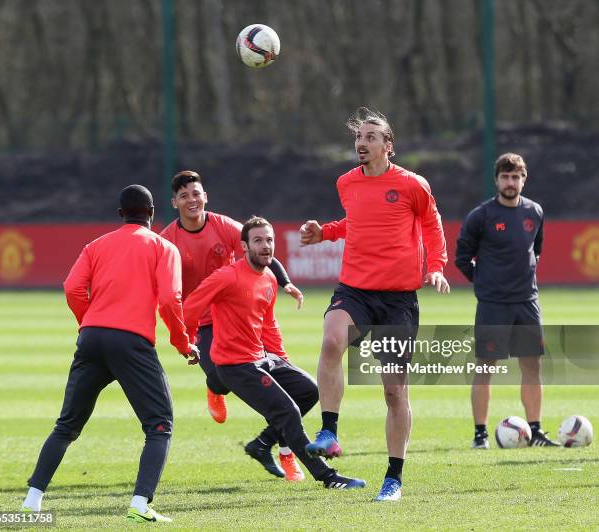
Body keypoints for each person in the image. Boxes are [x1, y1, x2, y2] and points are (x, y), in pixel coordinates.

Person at [21, 185, 199, 523]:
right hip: (131, 343)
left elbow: (72, 287)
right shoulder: (165, 248)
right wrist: (183, 343)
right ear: (152, 212)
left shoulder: (96, 246)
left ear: (120, 215)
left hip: (91, 339)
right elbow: (169, 301)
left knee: (67, 425)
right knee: (159, 426)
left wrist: (89, 321)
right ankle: (140, 503)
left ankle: (32, 501)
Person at [299, 108, 449, 502]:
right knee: (332, 341)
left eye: (370, 137)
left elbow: (432, 225)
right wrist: (325, 232)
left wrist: (435, 267)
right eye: (358, 137)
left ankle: (393, 478)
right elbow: (357, 221)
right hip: (355, 289)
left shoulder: (413, 185)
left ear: (388, 146)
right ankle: (328, 430)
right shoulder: (346, 182)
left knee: (394, 393)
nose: (361, 143)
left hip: (398, 300)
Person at [183, 216, 366, 490]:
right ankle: (328, 477)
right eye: (258, 241)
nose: (266, 246)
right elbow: (189, 308)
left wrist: (282, 363)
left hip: (262, 358)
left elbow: (268, 325)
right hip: (236, 366)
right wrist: (186, 342)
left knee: (309, 390)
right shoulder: (227, 276)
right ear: (244, 246)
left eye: (269, 240)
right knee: (287, 411)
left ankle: (262, 443)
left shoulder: (269, 277)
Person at [160, 170, 306, 481]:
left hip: (236, 312)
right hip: (200, 319)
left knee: (282, 394)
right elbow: (154, 279)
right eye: (184, 196)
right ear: (175, 203)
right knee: (220, 374)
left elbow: (260, 249)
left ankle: (283, 450)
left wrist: (286, 283)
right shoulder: (168, 239)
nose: (192, 200)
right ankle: (215, 389)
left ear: (205, 197)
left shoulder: (223, 226)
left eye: (196, 193)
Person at [455, 153, 559, 449]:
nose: (510, 182)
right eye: (505, 177)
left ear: (523, 179)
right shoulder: (482, 216)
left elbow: (535, 250)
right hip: (493, 304)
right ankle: (480, 435)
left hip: (527, 301)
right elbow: (462, 257)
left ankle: (536, 431)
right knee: (486, 367)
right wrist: (484, 282)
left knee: (532, 366)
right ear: (496, 180)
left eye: (516, 177)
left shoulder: (535, 212)